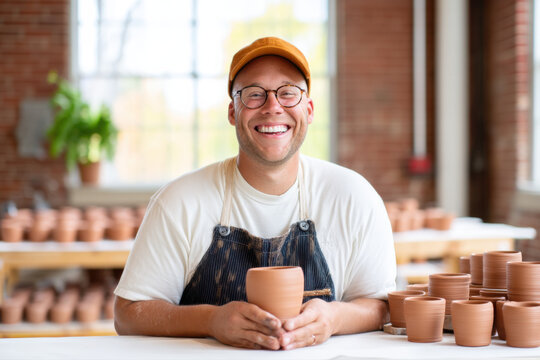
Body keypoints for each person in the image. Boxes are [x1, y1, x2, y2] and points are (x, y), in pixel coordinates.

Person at [114, 36, 396, 351]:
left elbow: (382, 305)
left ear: (310, 109)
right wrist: (210, 320)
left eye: (288, 93)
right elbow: (128, 314)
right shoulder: (180, 202)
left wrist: (334, 318)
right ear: (233, 112)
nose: (273, 107)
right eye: (254, 95)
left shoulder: (354, 197)